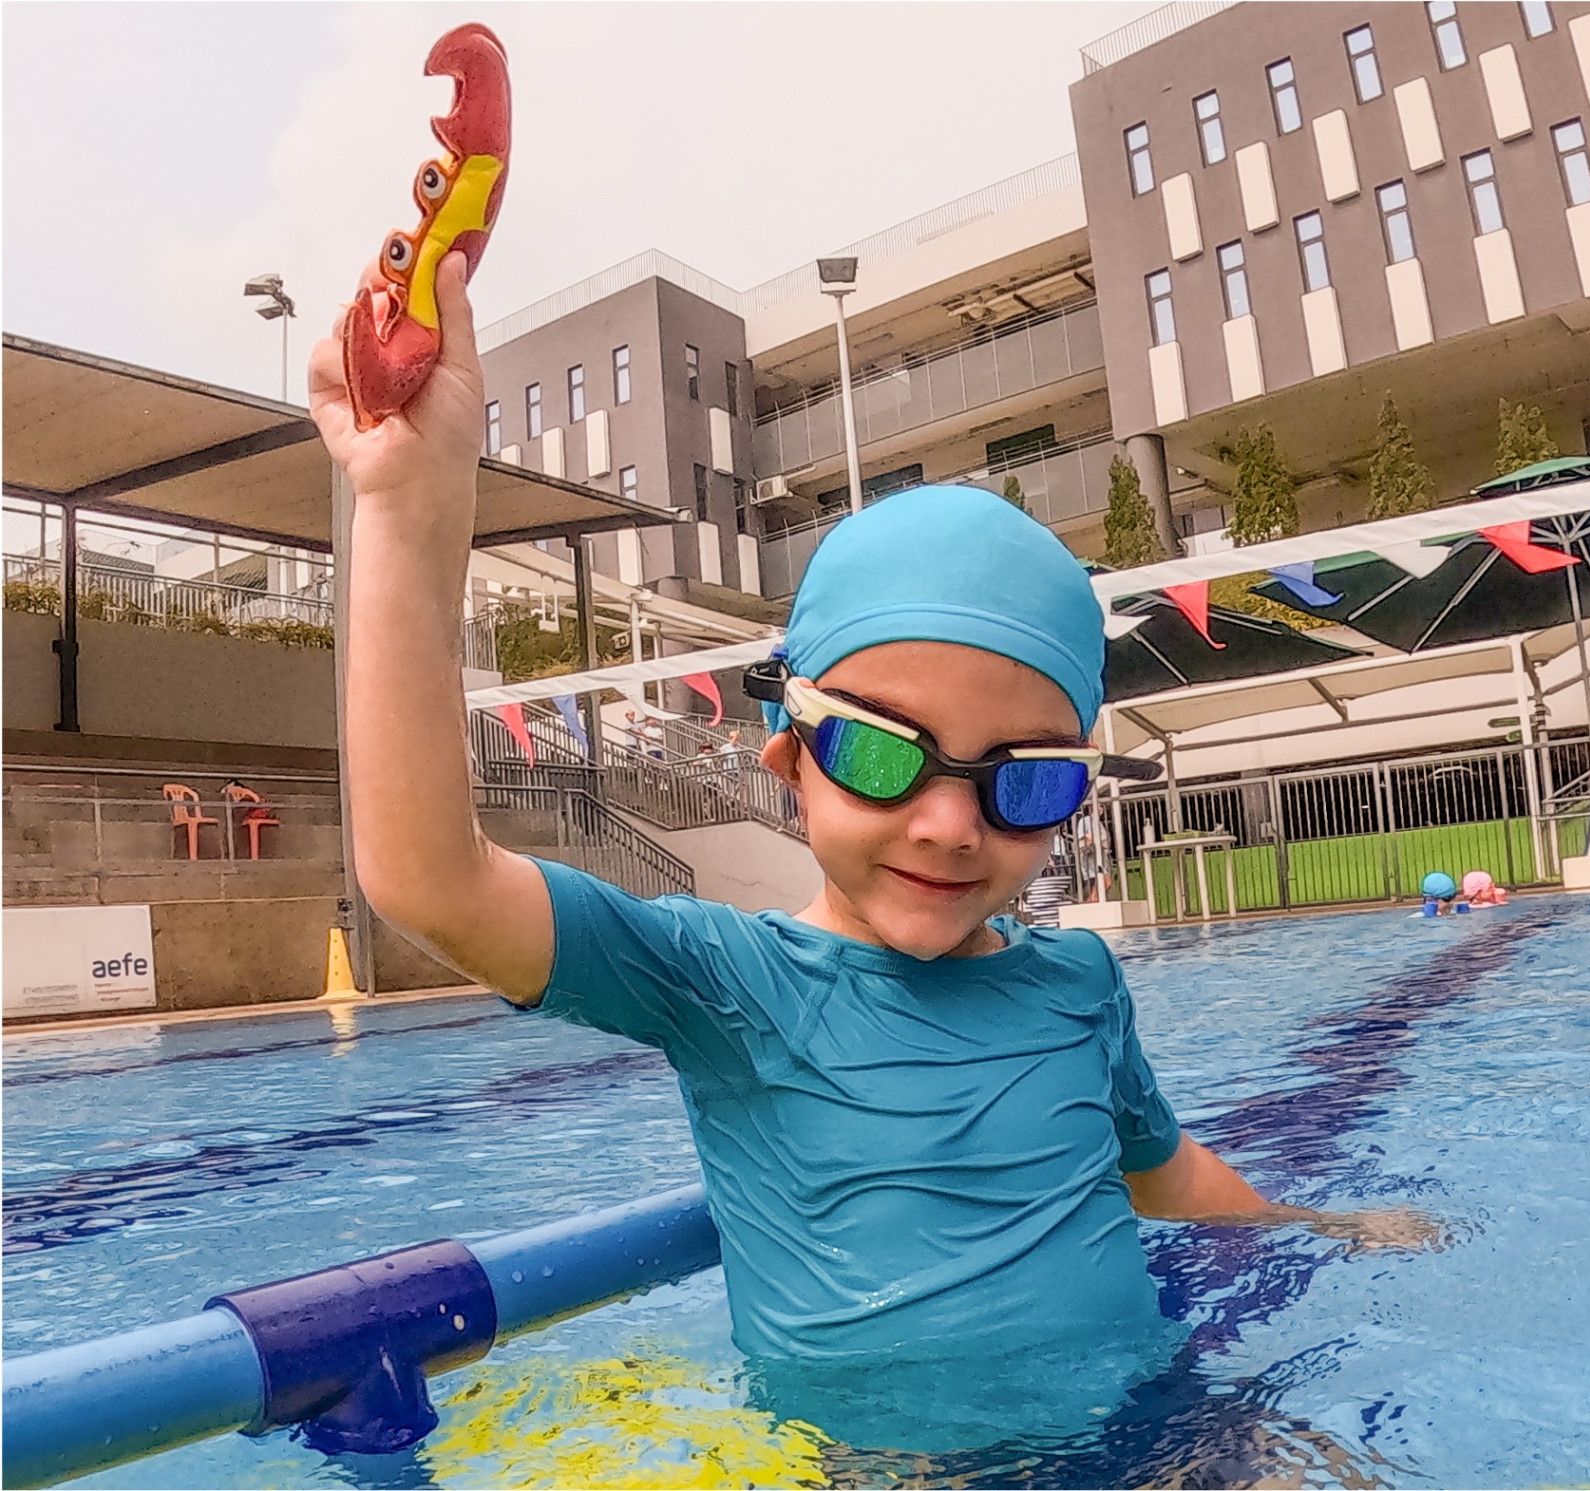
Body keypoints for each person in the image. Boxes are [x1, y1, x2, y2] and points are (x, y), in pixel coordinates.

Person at [308, 255, 1432, 1443]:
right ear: (788, 762)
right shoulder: (723, 981)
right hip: (900, 1475)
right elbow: (428, 882)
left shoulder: (1077, 983)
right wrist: (407, 508)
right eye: (886, 756)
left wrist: (1320, 1228)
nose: (950, 826)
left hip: (1161, 1436)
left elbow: (1161, 1170)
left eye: (1025, 781)